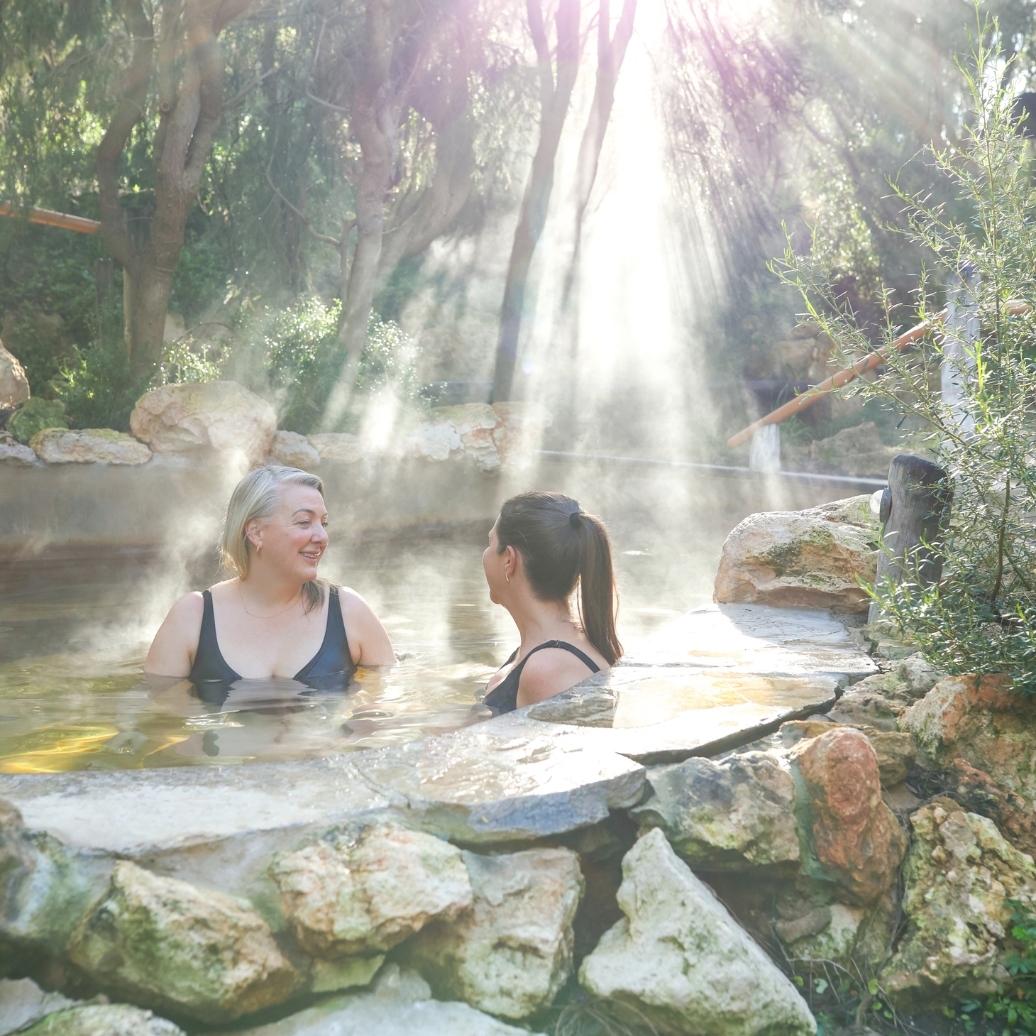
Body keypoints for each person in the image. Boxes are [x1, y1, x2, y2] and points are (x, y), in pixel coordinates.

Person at [145, 465, 395, 687]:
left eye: (323, 523)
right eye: (304, 522)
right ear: (256, 532)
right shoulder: (193, 617)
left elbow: (385, 705)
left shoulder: (348, 610)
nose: (322, 536)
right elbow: (163, 716)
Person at [481, 491, 621, 714]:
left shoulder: (548, 669)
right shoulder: (543, 653)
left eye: (489, 543)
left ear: (509, 559)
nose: (484, 554)